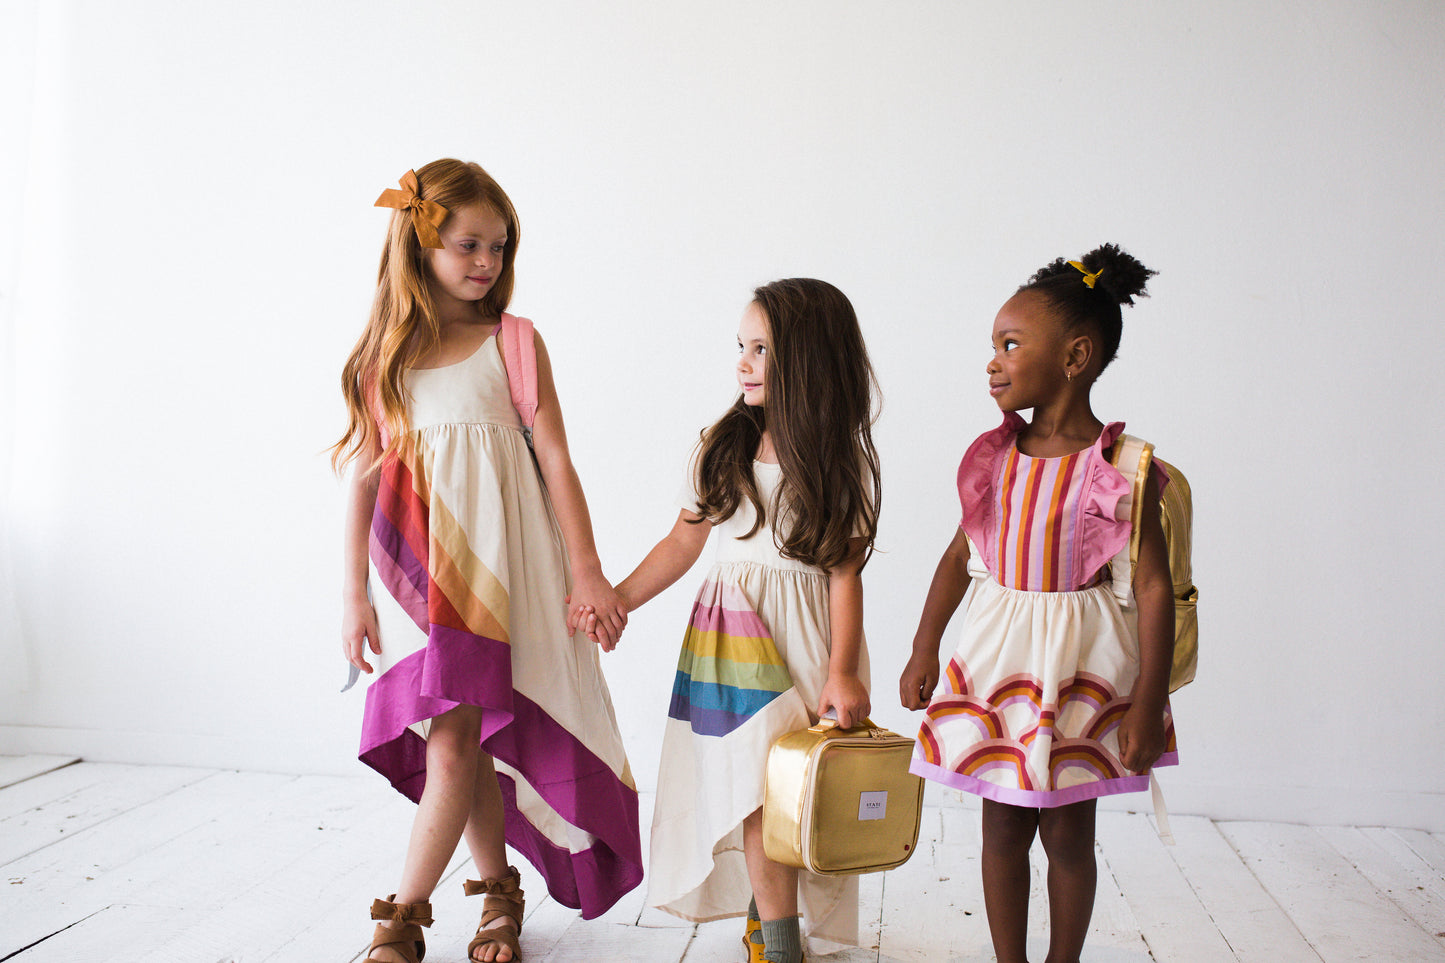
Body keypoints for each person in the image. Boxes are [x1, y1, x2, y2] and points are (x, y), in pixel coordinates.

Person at [332, 160, 640, 963]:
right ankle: (496, 895)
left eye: (499, 248)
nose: (487, 262)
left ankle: (401, 920)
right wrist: (352, 595)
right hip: (419, 585)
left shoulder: (513, 341)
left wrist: (588, 571)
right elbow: (363, 478)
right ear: (420, 243)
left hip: (501, 578)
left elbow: (558, 462)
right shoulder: (384, 361)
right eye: (469, 244)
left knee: (459, 739)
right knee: (457, 740)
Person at [900, 244, 1178, 963]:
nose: (992, 361)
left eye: (1010, 344)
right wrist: (923, 645)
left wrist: (1147, 701)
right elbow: (959, 558)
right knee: (999, 828)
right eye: (992, 346)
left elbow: (1152, 587)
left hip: (1077, 663)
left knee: (1066, 832)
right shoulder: (998, 456)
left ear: (1075, 356)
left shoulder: (1119, 469)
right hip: (1003, 661)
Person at [592, 279, 881, 963]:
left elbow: (843, 572)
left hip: (810, 644)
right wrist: (619, 598)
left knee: (792, 794)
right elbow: (682, 542)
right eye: (741, 347)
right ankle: (779, 946)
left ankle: (765, 912)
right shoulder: (723, 446)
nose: (742, 362)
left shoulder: (837, 465)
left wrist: (841, 670)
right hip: (730, 645)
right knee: (754, 794)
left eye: (760, 349)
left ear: (807, 362)